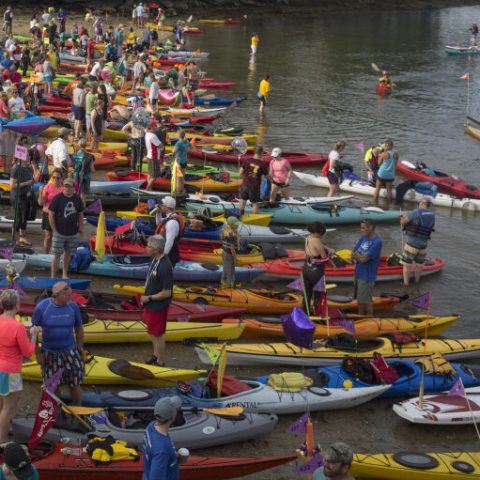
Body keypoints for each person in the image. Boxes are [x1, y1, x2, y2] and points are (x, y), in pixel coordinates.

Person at [32, 281, 84, 405]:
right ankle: (57, 409)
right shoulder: (42, 308)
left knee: (75, 382)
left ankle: (77, 407)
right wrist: (38, 353)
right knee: (53, 385)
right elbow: (33, 332)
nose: (70, 298)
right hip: (49, 353)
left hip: (70, 351)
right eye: (68, 295)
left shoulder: (73, 306)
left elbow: (79, 328)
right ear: (58, 295)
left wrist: (80, 348)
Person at [0, 290, 38, 443]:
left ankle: (4, 429)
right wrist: (34, 334)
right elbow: (28, 352)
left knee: (2, 404)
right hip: (11, 371)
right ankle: (2, 441)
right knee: (8, 408)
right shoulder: (18, 327)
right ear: (17, 305)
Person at [140, 236, 173, 366]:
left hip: (157, 306)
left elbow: (167, 292)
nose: (146, 248)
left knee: (158, 334)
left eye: (148, 246)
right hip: (151, 304)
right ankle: (155, 355)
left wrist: (149, 297)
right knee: (152, 332)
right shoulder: (155, 259)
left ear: (155, 249)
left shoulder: (165, 266)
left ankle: (160, 361)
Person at [143, 396, 189, 480]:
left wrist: (173, 458)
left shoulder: (151, 426)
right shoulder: (162, 451)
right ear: (173, 417)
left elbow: (152, 452)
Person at [48, 177, 84, 279]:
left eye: (70, 186)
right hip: (59, 232)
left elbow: (81, 214)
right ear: (63, 187)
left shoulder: (77, 199)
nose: (67, 189)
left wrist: (80, 229)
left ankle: (64, 274)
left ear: (74, 188)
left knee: (68, 254)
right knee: (56, 255)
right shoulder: (57, 198)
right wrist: (54, 229)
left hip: (73, 232)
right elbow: (51, 214)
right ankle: (53, 276)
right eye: (66, 186)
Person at [400, 197, 435, 286]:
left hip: (412, 243)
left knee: (407, 265)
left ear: (422, 204)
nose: (418, 204)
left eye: (419, 203)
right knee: (419, 265)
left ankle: (406, 284)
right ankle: (417, 282)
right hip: (423, 245)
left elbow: (403, 222)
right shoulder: (432, 215)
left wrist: (402, 218)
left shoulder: (416, 212)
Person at [352, 219, 382, 316]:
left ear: (371, 228)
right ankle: (360, 316)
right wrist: (359, 257)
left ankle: (369, 319)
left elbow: (365, 260)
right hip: (358, 272)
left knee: (367, 301)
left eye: (363, 228)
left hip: (367, 276)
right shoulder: (363, 238)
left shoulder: (377, 242)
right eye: (361, 228)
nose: (362, 230)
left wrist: (359, 256)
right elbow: (353, 253)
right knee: (360, 300)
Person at [302, 222, 332, 316]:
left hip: (306, 269)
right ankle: (317, 315)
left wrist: (326, 247)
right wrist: (331, 252)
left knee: (307, 294)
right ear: (319, 232)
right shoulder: (317, 241)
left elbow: (308, 252)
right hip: (316, 272)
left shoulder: (308, 238)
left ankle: (304, 313)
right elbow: (325, 258)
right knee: (318, 295)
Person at [10, 153, 35, 246]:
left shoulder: (28, 167)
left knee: (25, 217)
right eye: (27, 155)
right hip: (18, 196)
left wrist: (31, 181)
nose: (29, 156)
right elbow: (12, 185)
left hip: (26, 195)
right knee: (19, 217)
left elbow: (32, 179)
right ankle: (14, 238)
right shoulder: (16, 168)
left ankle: (22, 237)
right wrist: (27, 183)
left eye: (29, 155)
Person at [155, 196, 185, 268]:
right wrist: (158, 213)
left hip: (169, 256)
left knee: (165, 277)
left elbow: (169, 242)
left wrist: (162, 258)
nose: (160, 206)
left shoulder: (172, 223)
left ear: (167, 207)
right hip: (167, 254)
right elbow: (159, 223)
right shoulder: (170, 217)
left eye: (162, 204)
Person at [38, 168, 63, 253]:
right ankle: (46, 254)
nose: (55, 179)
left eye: (58, 178)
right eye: (54, 177)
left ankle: (57, 254)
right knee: (48, 235)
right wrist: (40, 193)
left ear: (61, 179)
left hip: (59, 215)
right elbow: (41, 203)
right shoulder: (48, 187)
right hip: (48, 214)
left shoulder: (64, 189)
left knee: (59, 236)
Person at [239, 145, 268, 216]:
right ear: (261, 153)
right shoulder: (263, 164)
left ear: (254, 152)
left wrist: (247, 178)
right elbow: (267, 177)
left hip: (245, 184)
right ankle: (254, 219)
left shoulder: (247, 161)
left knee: (243, 200)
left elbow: (240, 173)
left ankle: (239, 215)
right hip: (254, 187)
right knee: (255, 203)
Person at [372, 139, 398, 204]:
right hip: (390, 175)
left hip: (382, 174)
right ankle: (388, 205)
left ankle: (374, 204)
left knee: (377, 189)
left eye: (384, 145)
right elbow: (395, 164)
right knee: (389, 190)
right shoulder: (396, 154)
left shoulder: (383, 154)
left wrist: (379, 156)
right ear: (392, 146)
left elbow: (379, 163)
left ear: (386, 146)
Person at [72, 138, 95, 204]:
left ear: (79, 145)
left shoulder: (74, 155)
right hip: (86, 176)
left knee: (76, 192)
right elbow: (92, 170)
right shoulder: (90, 156)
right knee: (83, 194)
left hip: (76, 176)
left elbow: (73, 166)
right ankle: (82, 208)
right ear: (86, 145)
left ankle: (75, 206)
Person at [220, 217, 240, 288]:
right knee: (230, 270)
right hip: (229, 254)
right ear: (231, 225)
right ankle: (229, 285)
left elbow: (222, 239)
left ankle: (223, 282)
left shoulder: (225, 231)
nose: (238, 226)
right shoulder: (232, 235)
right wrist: (235, 259)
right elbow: (232, 248)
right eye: (236, 224)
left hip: (224, 252)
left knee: (225, 268)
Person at [145, 123, 163, 191]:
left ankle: (150, 188)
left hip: (150, 156)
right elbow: (160, 145)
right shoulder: (152, 136)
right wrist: (162, 146)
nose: (156, 128)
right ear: (152, 127)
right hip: (154, 157)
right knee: (155, 175)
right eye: (155, 127)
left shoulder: (147, 134)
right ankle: (147, 189)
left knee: (150, 173)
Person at [173, 130, 190, 194]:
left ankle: (178, 192)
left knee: (178, 179)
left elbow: (174, 151)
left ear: (178, 136)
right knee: (182, 177)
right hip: (185, 161)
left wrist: (173, 151)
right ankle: (183, 190)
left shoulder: (178, 143)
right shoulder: (187, 141)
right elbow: (191, 148)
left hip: (179, 162)